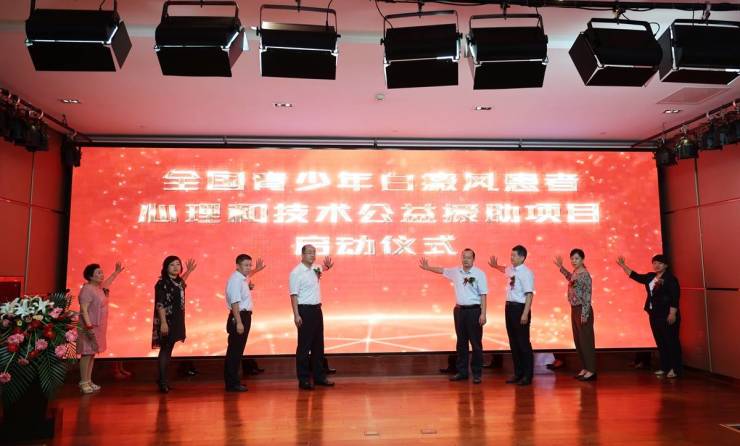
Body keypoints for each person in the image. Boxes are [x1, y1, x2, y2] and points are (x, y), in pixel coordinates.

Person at [419, 248, 488, 383]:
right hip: (459, 311)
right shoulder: (456, 272)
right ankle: (462, 372)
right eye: (464, 257)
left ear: (473, 259)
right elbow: (442, 270)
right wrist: (428, 268)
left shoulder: (479, 274)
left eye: (469, 257)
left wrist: (483, 314)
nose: (466, 260)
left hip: (474, 311)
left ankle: (477, 374)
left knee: (475, 344)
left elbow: (483, 295)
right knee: (461, 343)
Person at [616, 254, 682, 378]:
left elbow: (675, 297)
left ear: (666, 265)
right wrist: (623, 266)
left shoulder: (670, 279)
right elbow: (635, 276)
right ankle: (665, 367)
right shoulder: (650, 277)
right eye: (655, 263)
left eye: (660, 263)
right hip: (654, 314)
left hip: (667, 314)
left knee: (671, 341)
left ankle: (675, 369)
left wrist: (672, 313)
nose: (657, 266)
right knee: (660, 341)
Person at [289, 245, 334, 390]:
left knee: (318, 345)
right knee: (304, 346)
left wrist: (327, 267)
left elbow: (323, 268)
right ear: (302, 255)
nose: (312, 255)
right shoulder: (296, 273)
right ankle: (303, 379)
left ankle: (319, 377)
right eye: (309, 253)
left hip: (316, 310)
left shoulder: (316, 268)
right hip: (304, 311)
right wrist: (296, 315)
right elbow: (293, 295)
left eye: (314, 253)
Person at [488, 245, 535, 386]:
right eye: (511, 255)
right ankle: (518, 373)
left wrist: (525, 314)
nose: (511, 258)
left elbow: (529, 294)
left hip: (520, 309)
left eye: (514, 255)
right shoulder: (512, 269)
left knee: (523, 343)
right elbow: (505, 270)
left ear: (522, 257)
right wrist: (495, 266)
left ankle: (527, 375)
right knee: (513, 342)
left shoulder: (526, 273)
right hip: (509, 308)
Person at [77, 262, 124, 394]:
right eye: (98, 273)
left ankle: (88, 380)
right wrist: (88, 327)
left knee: (92, 353)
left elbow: (108, 282)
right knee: (86, 353)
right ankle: (83, 382)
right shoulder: (87, 289)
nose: (102, 274)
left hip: (99, 327)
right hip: (89, 326)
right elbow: (84, 310)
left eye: (102, 272)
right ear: (90, 276)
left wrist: (116, 272)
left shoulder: (98, 288)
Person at [152, 256, 197, 393]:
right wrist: (163, 323)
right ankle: (162, 381)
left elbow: (180, 284)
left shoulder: (178, 282)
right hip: (167, 320)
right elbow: (160, 304)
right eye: (172, 265)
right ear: (166, 268)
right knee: (165, 349)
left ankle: (163, 380)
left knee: (169, 349)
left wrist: (189, 271)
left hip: (177, 319)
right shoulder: (162, 283)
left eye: (178, 264)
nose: (176, 267)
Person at [224, 254, 266, 392]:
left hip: (244, 316)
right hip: (239, 316)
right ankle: (232, 383)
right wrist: (239, 322)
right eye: (246, 265)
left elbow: (248, 276)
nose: (249, 268)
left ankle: (234, 381)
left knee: (237, 351)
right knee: (234, 352)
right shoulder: (236, 280)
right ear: (237, 266)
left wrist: (256, 271)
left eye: (250, 265)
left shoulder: (241, 279)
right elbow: (235, 303)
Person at [554, 249, 596, 381]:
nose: (573, 261)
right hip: (574, 309)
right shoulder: (576, 272)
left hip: (583, 310)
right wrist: (561, 268)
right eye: (572, 258)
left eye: (576, 258)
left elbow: (587, 296)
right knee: (578, 341)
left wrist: (585, 314)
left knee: (586, 341)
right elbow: (571, 280)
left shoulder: (585, 275)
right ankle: (585, 367)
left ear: (582, 259)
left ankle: (591, 370)